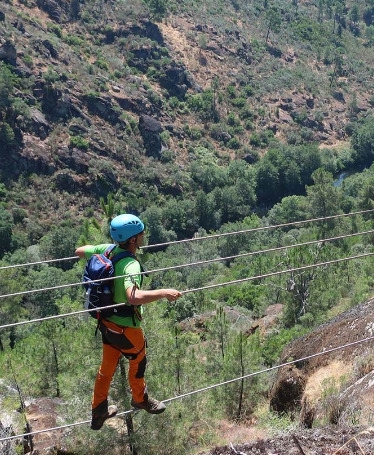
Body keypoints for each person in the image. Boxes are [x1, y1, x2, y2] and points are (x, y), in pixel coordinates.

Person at [75, 213, 182, 430]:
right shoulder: (130, 265)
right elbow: (132, 296)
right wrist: (163, 292)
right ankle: (140, 398)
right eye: (140, 234)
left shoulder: (107, 249)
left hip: (105, 323)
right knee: (138, 360)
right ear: (133, 240)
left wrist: (94, 250)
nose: (143, 236)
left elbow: (80, 251)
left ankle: (98, 410)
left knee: (106, 368)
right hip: (126, 328)